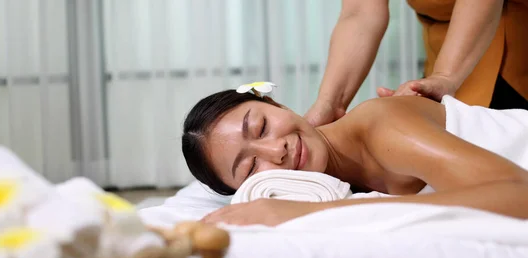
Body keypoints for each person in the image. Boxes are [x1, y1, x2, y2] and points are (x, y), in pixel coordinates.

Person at [181, 90, 528, 226]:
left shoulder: (382, 126)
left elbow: (519, 194)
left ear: (277, 105)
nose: (276, 151)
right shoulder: (336, 182)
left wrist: (310, 213)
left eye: (261, 127)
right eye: (252, 167)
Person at [305, 0, 528, 127]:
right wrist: (329, 103)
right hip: (444, 54)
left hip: (509, 48)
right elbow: (360, 11)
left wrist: (445, 76)